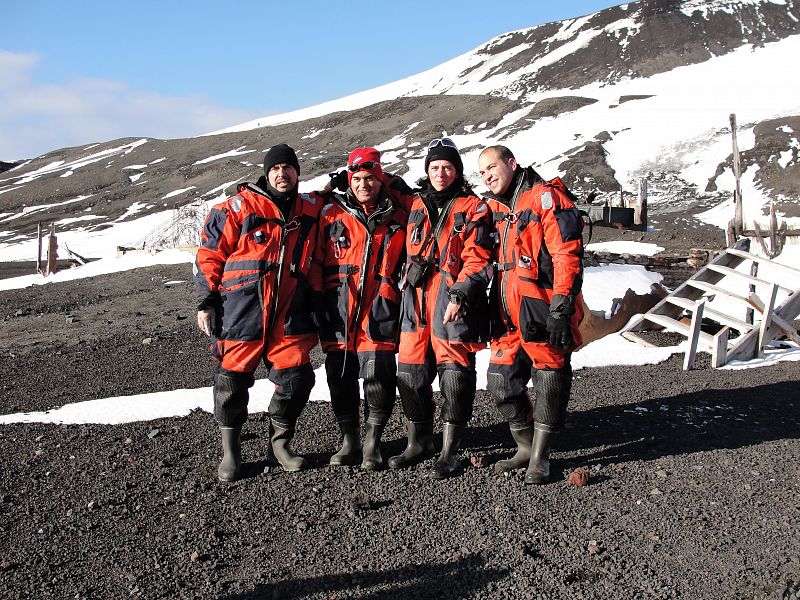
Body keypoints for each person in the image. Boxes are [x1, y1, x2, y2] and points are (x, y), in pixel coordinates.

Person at [195, 143, 323, 481]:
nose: (282, 174)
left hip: (289, 311)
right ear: (266, 173)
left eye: (289, 168)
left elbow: (342, 202)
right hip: (242, 311)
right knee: (231, 383)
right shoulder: (237, 209)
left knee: (297, 378)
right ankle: (231, 453)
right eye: (276, 169)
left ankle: (279, 444)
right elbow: (209, 255)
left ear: (298, 173)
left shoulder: (309, 208)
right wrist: (205, 301)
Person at [477, 145, 585, 484]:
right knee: (500, 382)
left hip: (541, 305)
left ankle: (541, 456)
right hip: (507, 310)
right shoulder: (495, 207)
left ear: (512, 163)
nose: (488, 176)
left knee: (550, 376)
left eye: (492, 167)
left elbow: (566, 253)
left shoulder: (545, 198)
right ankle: (524, 446)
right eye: (482, 172)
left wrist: (561, 306)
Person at [389, 137, 494, 479]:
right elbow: (381, 186)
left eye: (447, 167)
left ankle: (450, 449)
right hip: (415, 300)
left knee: (454, 375)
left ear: (458, 170)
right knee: (409, 373)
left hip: (451, 300)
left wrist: (461, 294)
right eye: (434, 167)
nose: (440, 173)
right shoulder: (415, 204)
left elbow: (478, 257)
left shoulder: (473, 207)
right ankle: (419, 442)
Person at [310, 148, 408, 470]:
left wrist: (390, 180)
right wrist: (316, 298)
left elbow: (418, 199)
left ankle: (372, 443)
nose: (364, 184)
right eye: (357, 178)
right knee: (340, 377)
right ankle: (349, 440)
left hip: (379, 306)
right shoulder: (330, 213)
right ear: (348, 181)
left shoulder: (398, 215)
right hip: (339, 306)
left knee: (379, 376)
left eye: (371, 178)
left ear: (380, 180)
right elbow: (315, 259)